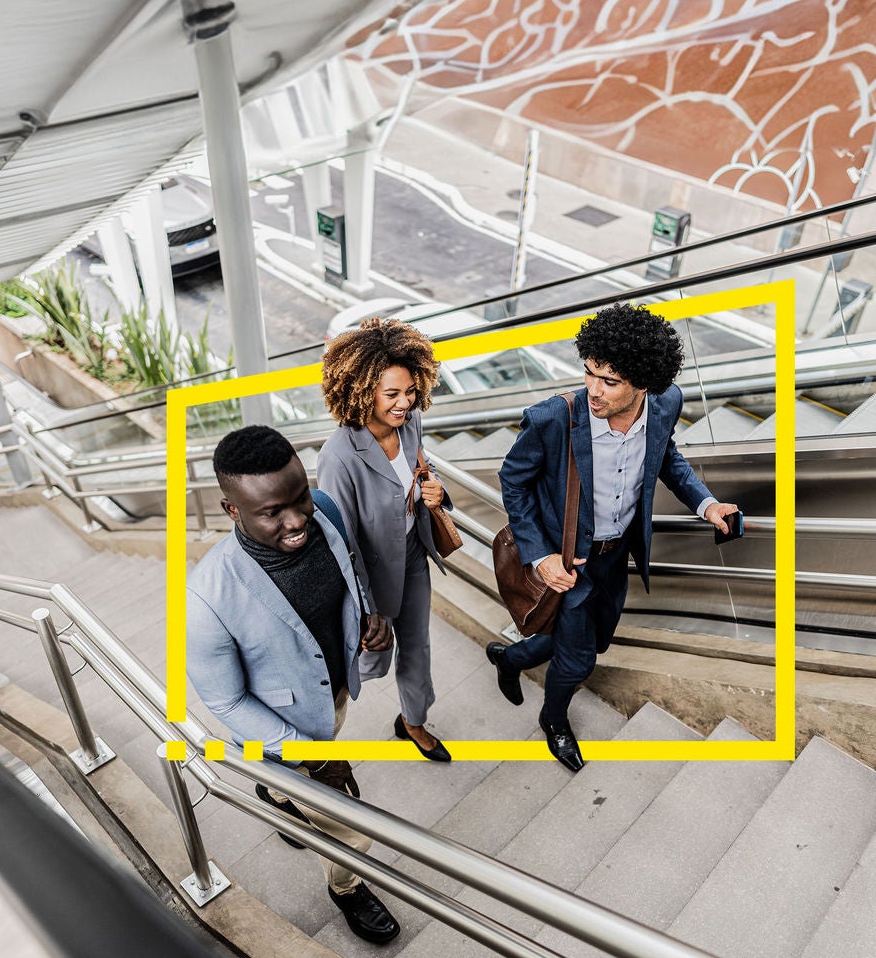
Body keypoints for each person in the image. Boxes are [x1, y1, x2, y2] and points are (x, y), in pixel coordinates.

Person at [490, 304, 740, 772]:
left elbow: (667, 459)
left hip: (616, 554)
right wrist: (541, 554)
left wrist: (708, 505)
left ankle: (509, 658)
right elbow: (513, 481)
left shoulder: (666, 403)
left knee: (594, 638)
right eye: (589, 373)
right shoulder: (551, 420)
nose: (593, 390)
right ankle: (555, 719)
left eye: (610, 381)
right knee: (581, 659)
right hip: (567, 562)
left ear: (644, 383)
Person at [186, 424, 404, 944]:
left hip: (331, 694)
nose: (296, 520)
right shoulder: (204, 600)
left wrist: (368, 618)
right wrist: (311, 755)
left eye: (299, 497)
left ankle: (275, 794)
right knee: (352, 828)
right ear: (231, 510)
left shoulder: (323, 508)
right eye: (271, 512)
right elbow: (225, 699)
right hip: (278, 729)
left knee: (323, 737)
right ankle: (347, 888)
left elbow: (350, 575)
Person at [315, 317, 454, 763]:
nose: (405, 403)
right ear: (359, 391)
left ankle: (413, 721)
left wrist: (436, 490)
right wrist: (366, 607)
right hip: (370, 576)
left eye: (410, 391)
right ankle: (312, 741)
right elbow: (341, 539)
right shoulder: (338, 457)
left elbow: (421, 469)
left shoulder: (409, 423)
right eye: (391, 394)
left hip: (412, 556)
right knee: (369, 655)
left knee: (417, 644)